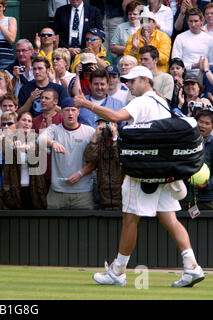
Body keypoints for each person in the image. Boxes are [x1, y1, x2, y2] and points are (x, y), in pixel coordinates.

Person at [74, 65, 204, 287]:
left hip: (145, 172)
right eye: (128, 81)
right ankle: (192, 266)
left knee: (130, 219)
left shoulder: (143, 101)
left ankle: (117, 271)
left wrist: (86, 103)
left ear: (145, 80)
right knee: (169, 218)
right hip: (166, 171)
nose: (129, 84)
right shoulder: (162, 100)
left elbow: (115, 116)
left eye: (133, 81)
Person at [38, 97, 96, 210]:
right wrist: (53, 143)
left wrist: (80, 173)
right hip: (57, 191)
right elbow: (39, 140)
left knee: (85, 226)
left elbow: (96, 160)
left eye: (73, 110)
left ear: (78, 112)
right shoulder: (54, 130)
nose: (70, 113)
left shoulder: (89, 131)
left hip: (83, 193)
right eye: (67, 110)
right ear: (61, 113)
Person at [84, 118, 123, 210]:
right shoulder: (99, 142)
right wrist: (95, 136)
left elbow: (120, 159)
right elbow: (89, 158)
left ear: (116, 125)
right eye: (103, 124)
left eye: (109, 124)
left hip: (121, 195)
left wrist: (115, 138)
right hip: (103, 194)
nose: (107, 128)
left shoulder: (122, 140)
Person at [183, 110, 213, 210]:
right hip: (186, 196)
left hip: (208, 198)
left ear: (212, 127)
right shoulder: (187, 144)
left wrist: (208, 184)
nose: (202, 126)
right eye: (200, 122)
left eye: (207, 123)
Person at [172, 8, 213, 76]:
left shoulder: (209, 39)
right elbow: (175, 62)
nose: (193, 24)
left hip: (205, 75)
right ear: (187, 22)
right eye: (191, 21)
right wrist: (194, 66)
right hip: (185, 75)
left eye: (196, 21)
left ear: (202, 21)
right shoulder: (180, 38)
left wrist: (204, 66)